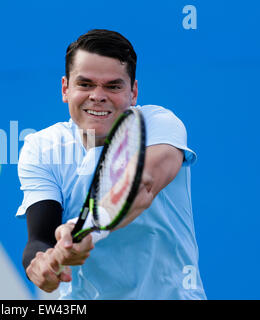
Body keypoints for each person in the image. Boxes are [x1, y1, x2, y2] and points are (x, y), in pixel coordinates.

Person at [16, 29, 206, 299]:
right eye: (85, 84)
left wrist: (85, 229)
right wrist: (42, 263)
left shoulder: (158, 125)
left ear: (133, 92)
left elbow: (142, 187)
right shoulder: (42, 147)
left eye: (113, 86)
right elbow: (40, 237)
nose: (98, 95)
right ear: (65, 89)